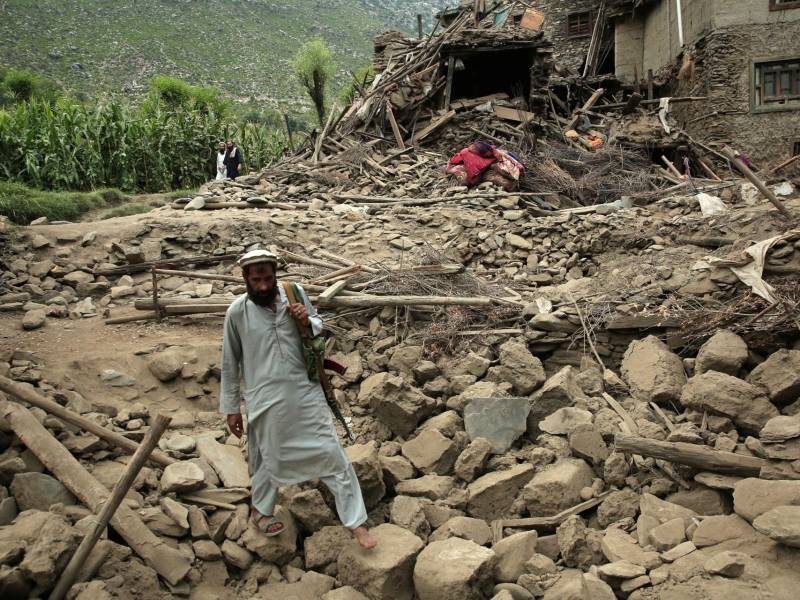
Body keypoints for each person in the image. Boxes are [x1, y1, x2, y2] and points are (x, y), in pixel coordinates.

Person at [220, 249, 377, 549]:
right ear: (245, 279)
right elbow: (230, 364)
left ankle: (357, 522)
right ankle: (260, 511)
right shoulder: (236, 313)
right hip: (264, 398)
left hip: (304, 391)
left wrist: (306, 319)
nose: (263, 286)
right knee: (267, 456)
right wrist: (231, 409)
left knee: (331, 451)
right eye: (257, 280)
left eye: (268, 278)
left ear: (275, 275)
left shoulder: (294, 293)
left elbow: (319, 327)